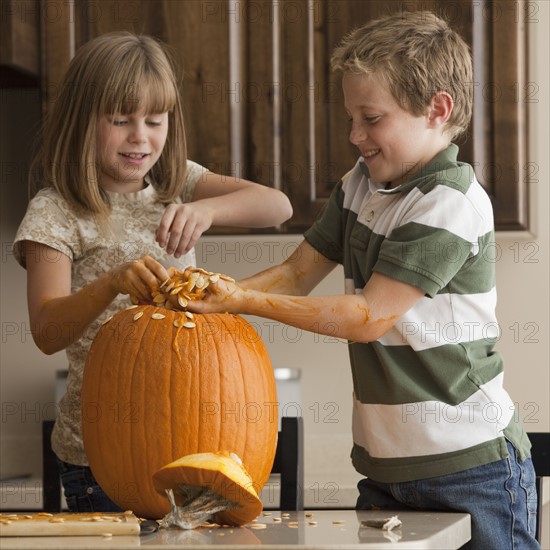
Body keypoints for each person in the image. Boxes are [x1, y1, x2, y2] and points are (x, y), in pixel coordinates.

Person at [187, 11, 539, 549]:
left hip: (472, 469)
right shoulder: (361, 186)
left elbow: (370, 317)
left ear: (436, 109)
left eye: (371, 118)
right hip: (385, 471)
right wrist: (211, 295)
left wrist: (243, 301)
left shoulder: (449, 202)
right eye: (352, 118)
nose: (355, 136)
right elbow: (297, 273)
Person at [13, 31, 292, 513]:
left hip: (188, 449)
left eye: (154, 120)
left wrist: (208, 211)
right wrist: (110, 284)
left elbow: (277, 206)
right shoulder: (55, 213)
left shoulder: (176, 180)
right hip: (98, 454)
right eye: (120, 120)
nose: (140, 136)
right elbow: (46, 330)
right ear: (83, 121)